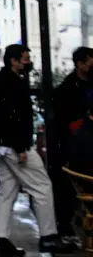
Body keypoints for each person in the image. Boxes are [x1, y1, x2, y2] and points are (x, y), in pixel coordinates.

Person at [0, 44, 65, 257]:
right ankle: (48, 237)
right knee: (42, 186)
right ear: (14, 60)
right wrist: (21, 147)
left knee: (6, 190)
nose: (28, 62)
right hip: (14, 145)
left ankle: (2, 240)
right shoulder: (14, 84)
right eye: (26, 58)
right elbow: (15, 117)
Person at [46, 47, 93, 237]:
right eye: (90, 62)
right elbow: (62, 122)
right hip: (75, 148)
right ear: (80, 64)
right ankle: (66, 225)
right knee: (68, 189)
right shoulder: (66, 90)